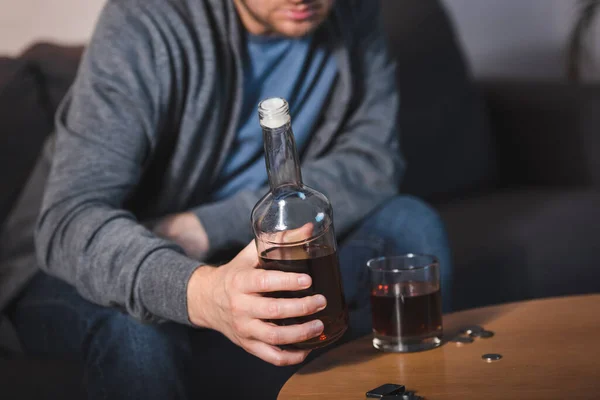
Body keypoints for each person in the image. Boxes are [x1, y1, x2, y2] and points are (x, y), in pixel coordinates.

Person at [0, 0, 452, 398]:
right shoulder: (145, 22)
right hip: (82, 268)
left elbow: (373, 161)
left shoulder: (351, 10)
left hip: (234, 247)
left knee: (409, 224)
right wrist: (201, 292)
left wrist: (204, 227)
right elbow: (68, 221)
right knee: (139, 330)